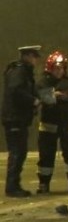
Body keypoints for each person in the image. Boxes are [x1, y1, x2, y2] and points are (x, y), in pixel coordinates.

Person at [35, 51, 68, 194]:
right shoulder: (42, 83)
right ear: (50, 68)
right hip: (48, 125)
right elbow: (39, 97)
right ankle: (44, 184)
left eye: (61, 68)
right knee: (46, 155)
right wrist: (54, 96)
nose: (59, 71)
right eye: (56, 68)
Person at [2, 45, 42, 197]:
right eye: (34, 57)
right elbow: (16, 91)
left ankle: (14, 184)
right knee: (17, 152)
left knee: (20, 151)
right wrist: (33, 101)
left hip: (17, 118)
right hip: (15, 118)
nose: (35, 60)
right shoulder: (20, 71)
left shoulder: (20, 71)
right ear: (27, 56)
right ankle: (12, 186)